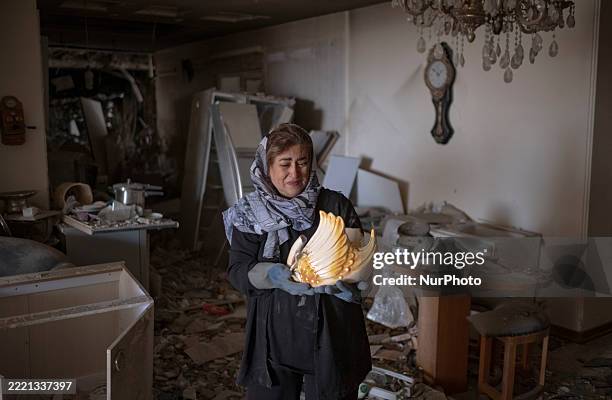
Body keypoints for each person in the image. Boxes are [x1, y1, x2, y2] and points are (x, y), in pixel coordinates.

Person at [222, 123, 371, 400]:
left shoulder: (335, 207)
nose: (295, 173)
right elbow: (237, 270)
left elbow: (359, 263)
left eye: (302, 162)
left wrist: (354, 285)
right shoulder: (250, 214)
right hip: (274, 338)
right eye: (285, 164)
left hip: (331, 336)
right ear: (268, 167)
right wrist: (270, 275)